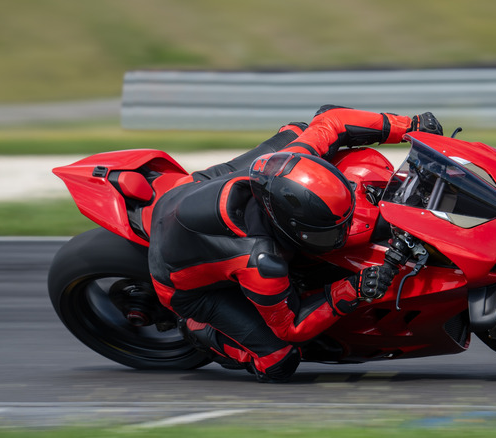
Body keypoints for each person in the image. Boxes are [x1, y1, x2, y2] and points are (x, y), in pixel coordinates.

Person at [147, 105, 443, 382]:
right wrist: (351, 289)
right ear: (288, 226)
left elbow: (332, 120)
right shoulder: (261, 262)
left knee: (299, 130)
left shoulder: (291, 161)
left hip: (190, 189)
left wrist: (410, 127)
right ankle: (196, 328)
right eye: (328, 233)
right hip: (178, 285)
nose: (340, 237)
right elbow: (291, 327)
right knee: (280, 361)